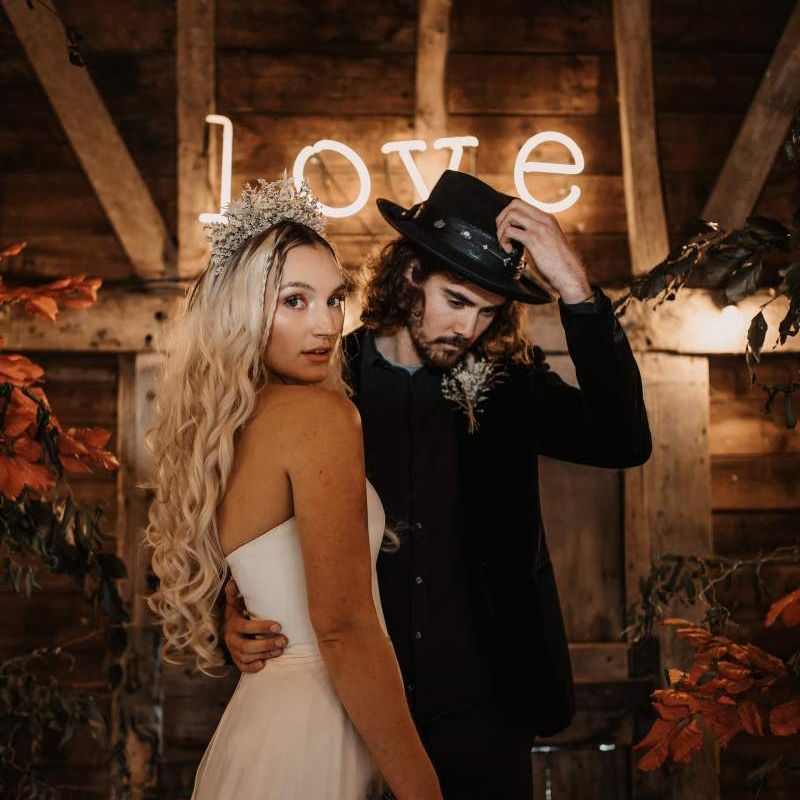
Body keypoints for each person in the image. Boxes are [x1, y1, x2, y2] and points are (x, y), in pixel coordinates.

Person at [223, 170, 653, 799]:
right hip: (350, 709)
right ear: (410, 275)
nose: (470, 328)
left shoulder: (511, 387)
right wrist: (229, 616)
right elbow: (247, 523)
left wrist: (576, 290)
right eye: (457, 300)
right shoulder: (318, 381)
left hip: (487, 710)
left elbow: (625, 441)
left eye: (488, 311)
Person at [145, 178, 443, 800]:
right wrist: (422, 789)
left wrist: (235, 619)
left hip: (258, 732)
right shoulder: (322, 418)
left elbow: (261, 583)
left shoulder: (226, 427)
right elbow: (342, 628)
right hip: (317, 728)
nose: (327, 323)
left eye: (335, 299)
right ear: (244, 311)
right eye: (294, 300)